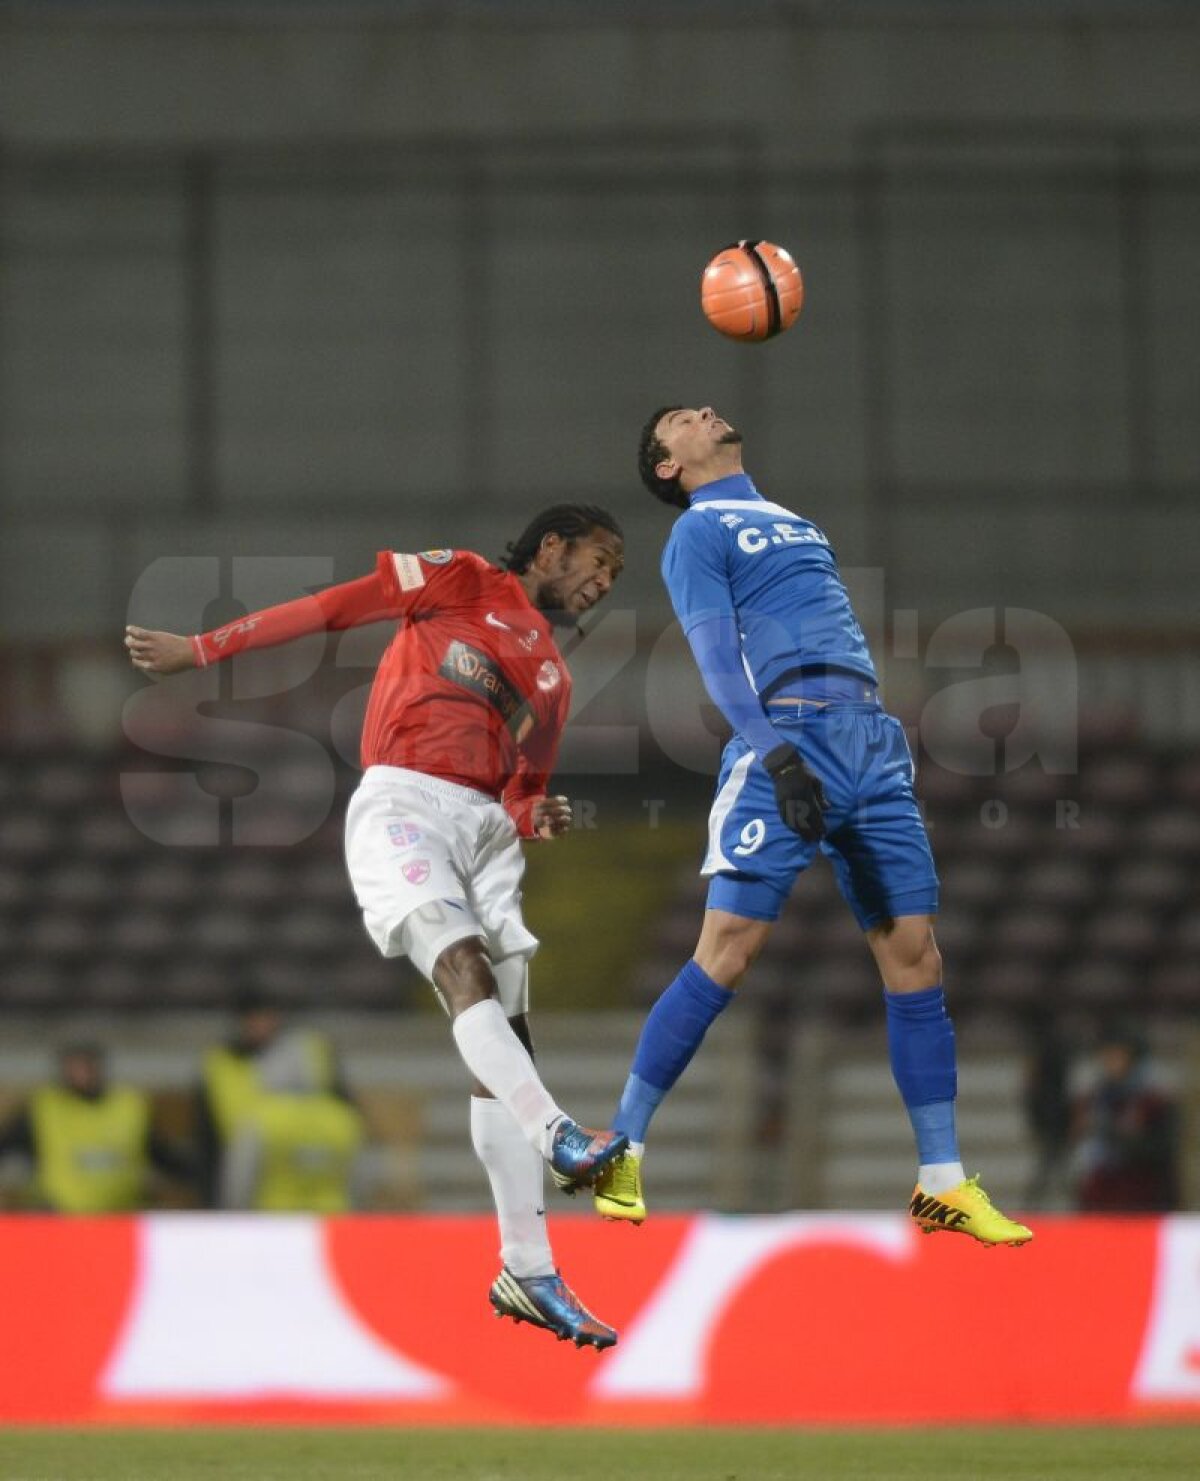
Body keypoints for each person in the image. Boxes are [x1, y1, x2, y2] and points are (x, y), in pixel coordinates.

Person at [125, 505, 629, 1348]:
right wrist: (200, 651)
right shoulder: (462, 577)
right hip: (405, 799)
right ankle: (560, 1136)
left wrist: (541, 814)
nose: (606, 580)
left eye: (616, 574)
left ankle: (530, 1269)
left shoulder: (553, 677)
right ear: (552, 545)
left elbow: (522, 794)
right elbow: (332, 607)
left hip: (486, 835)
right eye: (600, 558)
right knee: (458, 962)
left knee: (506, 1043)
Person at [591, 405, 1031, 1247]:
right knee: (728, 948)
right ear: (667, 467)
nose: (706, 412)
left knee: (914, 952)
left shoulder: (795, 521)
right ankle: (621, 1144)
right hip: (787, 738)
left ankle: (940, 1177)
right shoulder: (697, 532)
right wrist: (774, 752)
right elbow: (718, 657)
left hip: (870, 736)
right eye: (682, 419)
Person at [0, 1043, 193, 1213]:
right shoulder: (44, 1109)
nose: (82, 1073)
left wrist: (195, 1175)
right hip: (58, 1215)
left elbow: (160, 1153)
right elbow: (7, 1146)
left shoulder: (129, 1107)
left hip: (121, 1214)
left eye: (87, 1065)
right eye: (75, 1067)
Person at [219, 1028, 367, 1213]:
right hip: (331, 1224)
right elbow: (358, 1182)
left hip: (274, 1225)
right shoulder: (344, 1119)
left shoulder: (260, 1120)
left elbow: (240, 1181)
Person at [1069, 1024, 1179, 1213]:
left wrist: (1115, 1133)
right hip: (1100, 1198)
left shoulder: (1153, 1101)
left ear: (1133, 1059)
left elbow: (1162, 1149)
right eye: (1106, 1056)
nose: (1110, 1062)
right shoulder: (1095, 1098)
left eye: (1117, 1056)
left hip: (1141, 1196)